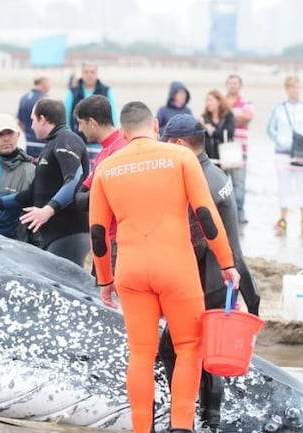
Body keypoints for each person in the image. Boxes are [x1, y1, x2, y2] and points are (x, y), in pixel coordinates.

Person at [89, 101, 240, 433]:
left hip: (129, 269)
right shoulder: (181, 157)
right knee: (189, 346)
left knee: (141, 353)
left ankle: (142, 428)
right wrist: (226, 263)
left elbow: (98, 232)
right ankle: (181, 426)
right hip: (175, 265)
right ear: (155, 125)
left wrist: (104, 279)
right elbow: (206, 214)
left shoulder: (106, 168)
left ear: (124, 131)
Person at [159, 113, 261, 433]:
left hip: (206, 279)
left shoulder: (196, 179)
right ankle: (209, 421)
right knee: (206, 352)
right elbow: (234, 247)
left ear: (179, 144)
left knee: (173, 349)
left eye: (166, 143)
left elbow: (199, 240)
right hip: (224, 278)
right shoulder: (215, 173)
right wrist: (252, 301)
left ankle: (186, 419)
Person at [0, 98, 90, 265]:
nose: (31, 126)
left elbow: (74, 181)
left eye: (33, 120)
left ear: (43, 119)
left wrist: (48, 210)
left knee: (64, 288)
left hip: (69, 233)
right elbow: (32, 194)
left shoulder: (67, 140)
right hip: (54, 236)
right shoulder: (51, 145)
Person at [72, 95, 128, 274]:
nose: (80, 129)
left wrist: (95, 194)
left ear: (92, 122)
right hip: (105, 239)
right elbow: (81, 196)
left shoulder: (118, 152)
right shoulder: (106, 151)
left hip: (116, 243)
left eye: (81, 123)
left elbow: (85, 198)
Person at [266, 75, 303, 236]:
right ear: (287, 89)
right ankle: (283, 219)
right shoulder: (279, 108)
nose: (295, 90)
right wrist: (282, 142)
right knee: (284, 186)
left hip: (302, 153)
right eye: (292, 87)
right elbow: (271, 129)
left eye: (297, 87)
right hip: (283, 153)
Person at [224, 74, 254, 224]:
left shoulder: (246, 101)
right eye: (230, 83)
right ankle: (224, 214)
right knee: (222, 182)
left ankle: (239, 212)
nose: (233, 86)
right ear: (226, 85)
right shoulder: (221, 101)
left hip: (239, 147)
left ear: (240, 85)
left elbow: (248, 117)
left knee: (239, 183)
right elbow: (214, 116)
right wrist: (234, 116)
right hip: (221, 146)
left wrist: (227, 117)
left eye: (235, 83)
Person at [64, 62, 118, 143]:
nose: (89, 75)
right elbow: (66, 114)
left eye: (92, 72)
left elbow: (113, 115)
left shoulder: (106, 91)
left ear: (97, 73)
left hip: (100, 141)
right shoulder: (73, 92)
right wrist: (68, 136)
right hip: (77, 139)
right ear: (82, 73)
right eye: (86, 72)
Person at [17, 76, 50, 158]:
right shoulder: (45, 99)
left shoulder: (24, 98)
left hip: (29, 141)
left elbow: (19, 122)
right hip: (42, 142)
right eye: (49, 83)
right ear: (43, 83)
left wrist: (28, 133)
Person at [200, 89, 235, 168]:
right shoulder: (204, 117)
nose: (208, 103)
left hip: (226, 155)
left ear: (219, 101)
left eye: (210, 100)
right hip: (209, 158)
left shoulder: (228, 115)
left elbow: (229, 133)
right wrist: (201, 126)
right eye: (206, 101)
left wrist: (211, 130)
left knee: (225, 179)